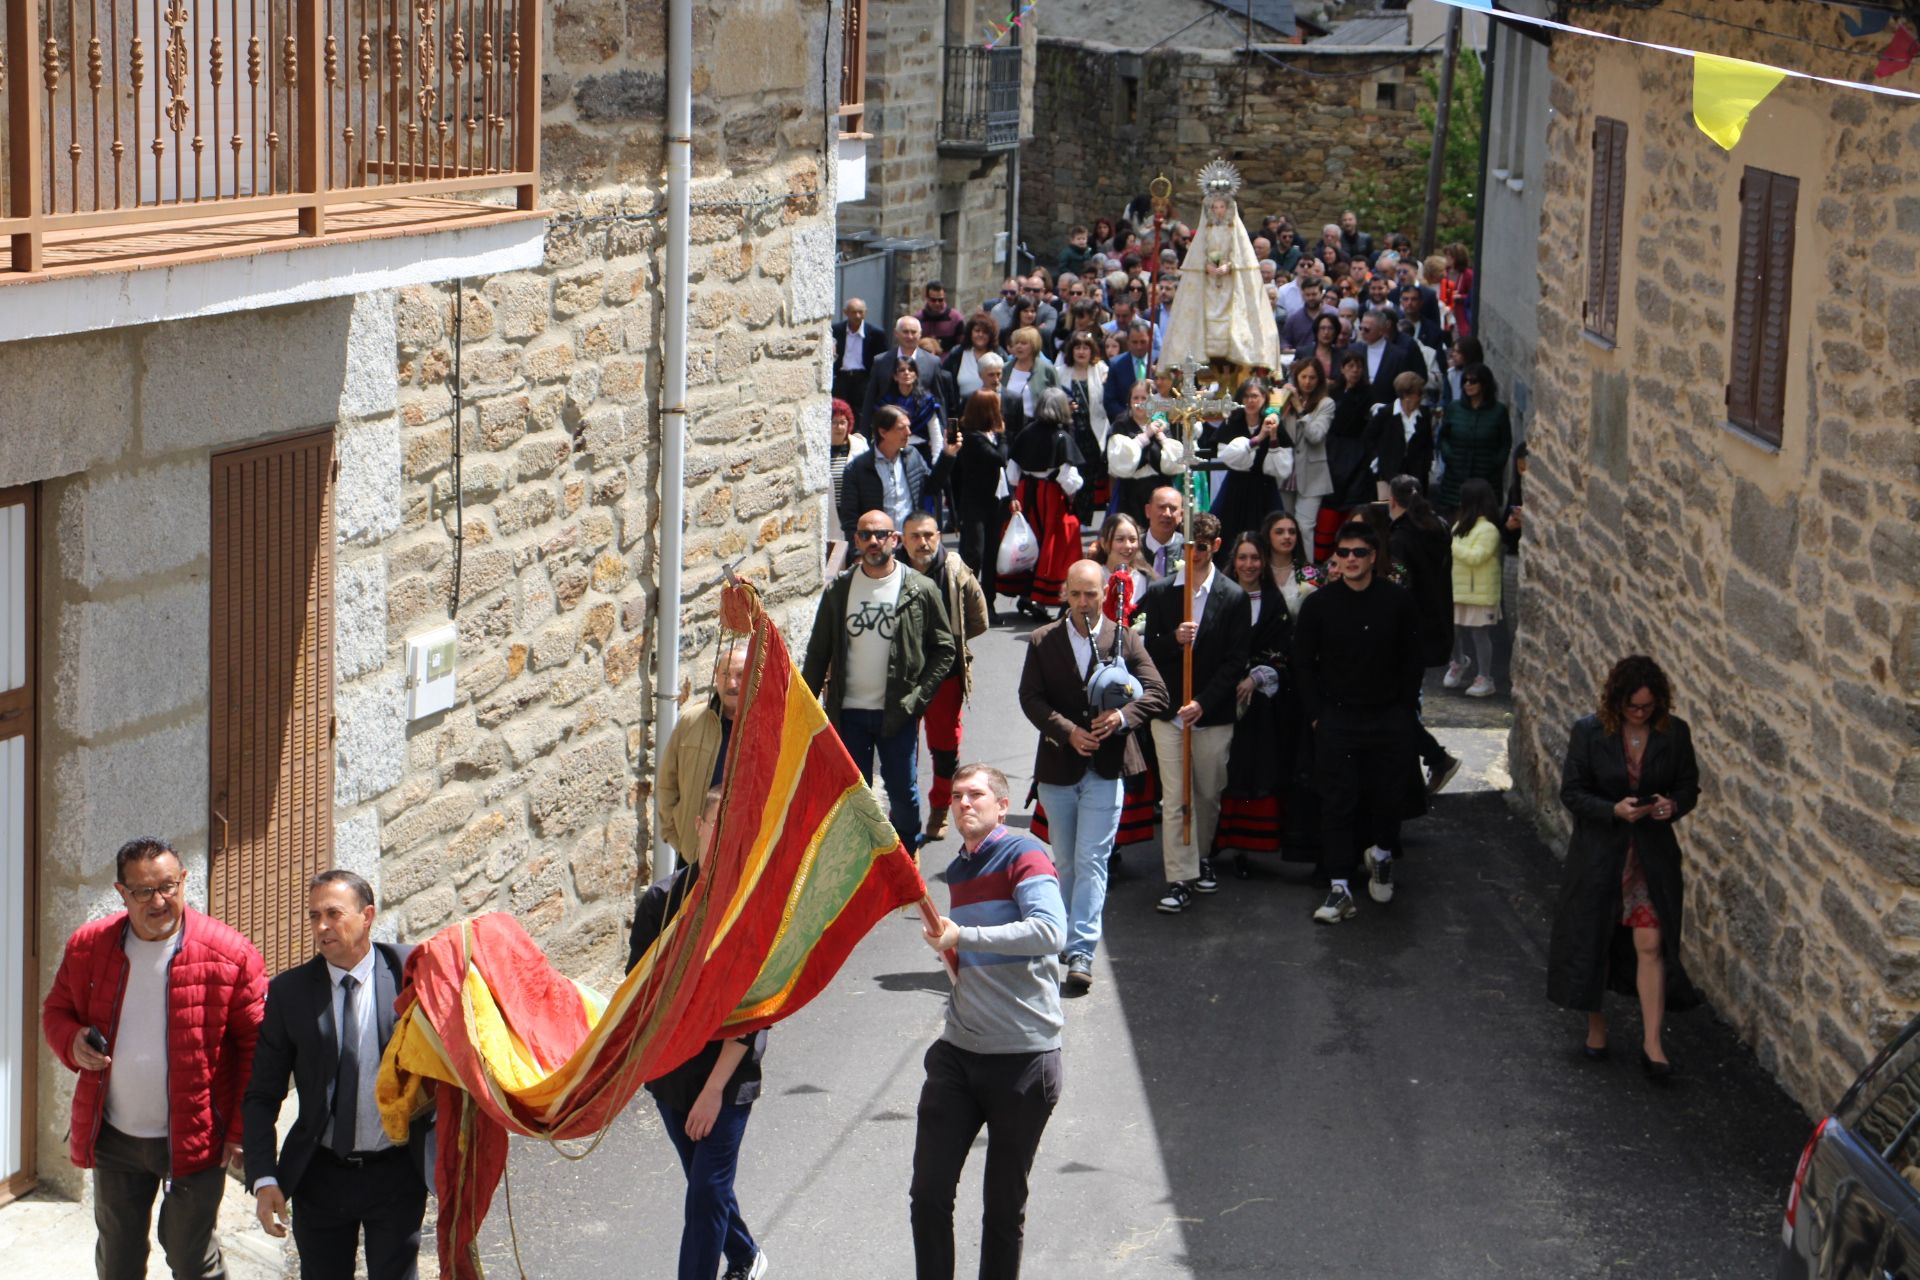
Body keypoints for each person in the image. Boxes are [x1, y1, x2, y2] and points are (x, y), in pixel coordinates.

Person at [43, 836, 265, 1280]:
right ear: (121, 893)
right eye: (144, 891)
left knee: (189, 1256)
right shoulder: (89, 946)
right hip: (115, 1136)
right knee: (118, 1259)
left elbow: (258, 1051)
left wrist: (240, 1130)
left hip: (197, 1134)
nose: (160, 900)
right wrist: (71, 1041)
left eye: (169, 886)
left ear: (184, 881)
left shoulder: (230, 954)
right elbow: (56, 1011)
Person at [912, 764, 1066, 1280]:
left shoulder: (1026, 853)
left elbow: (1050, 932)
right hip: (959, 1053)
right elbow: (969, 957)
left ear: (1003, 805)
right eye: (955, 796)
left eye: (975, 795)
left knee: (1002, 1210)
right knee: (928, 1195)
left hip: (1024, 1059)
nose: (962, 804)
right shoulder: (958, 868)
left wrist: (965, 940)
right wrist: (950, 953)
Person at [243, 871, 433, 1280]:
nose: (322, 926)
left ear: (367, 916)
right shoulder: (290, 993)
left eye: (333, 914)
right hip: (321, 1174)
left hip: (396, 1172)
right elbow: (261, 1094)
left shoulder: (411, 975)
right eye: (314, 916)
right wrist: (264, 1177)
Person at [629, 787, 773, 1280]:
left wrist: (714, 1092)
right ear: (699, 826)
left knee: (707, 1189)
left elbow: (757, 1012)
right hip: (670, 1070)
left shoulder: (755, 909)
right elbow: (639, 993)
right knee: (703, 1184)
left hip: (728, 1074)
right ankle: (747, 1255)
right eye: (717, 824)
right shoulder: (660, 901)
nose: (724, 835)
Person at [1547, 655, 1701, 1078]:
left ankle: (1653, 1044)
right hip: (1600, 858)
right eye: (1633, 707)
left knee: (1651, 944)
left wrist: (1672, 805)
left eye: (1648, 707)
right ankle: (1596, 1028)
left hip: (1650, 858)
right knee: (1594, 940)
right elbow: (1573, 792)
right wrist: (1613, 809)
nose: (1640, 714)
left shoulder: (1674, 733)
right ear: (1617, 702)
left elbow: (1689, 786)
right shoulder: (1589, 732)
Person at [1019, 561, 1169, 991]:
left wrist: (1121, 717)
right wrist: (1068, 732)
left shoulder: (1124, 637)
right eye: (1075, 594)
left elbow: (1158, 692)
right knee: (1064, 860)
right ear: (1064, 594)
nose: (1083, 603)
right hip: (1058, 769)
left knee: (1092, 861)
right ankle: (1058, 937)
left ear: (1105, 593)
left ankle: (1081, 948)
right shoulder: (1043, 640)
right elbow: (1030, 697)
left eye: (1091, 594)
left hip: (1107, 768)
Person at [802, 509, 958, 850]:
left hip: (896, 712)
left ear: (895, 540)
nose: (873, 541)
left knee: (902, 791)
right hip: (849, 713)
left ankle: (905, 852)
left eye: (881, 534)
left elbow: (945, 650)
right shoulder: (839, 591)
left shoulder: (920, 588)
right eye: (865, 535)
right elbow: (818, 653)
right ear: (856, 540)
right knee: (852, 794)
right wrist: (803, 709)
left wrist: (917, 699)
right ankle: (862, 859)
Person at [1293, 521, 1425, 923]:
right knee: (1337, 802)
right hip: (1337, 718)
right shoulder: (1319, 604)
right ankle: (1340, 887)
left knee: (1386, 797)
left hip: (1387, 716)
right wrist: (1317, 715)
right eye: (1344, 553)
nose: (1350, 560)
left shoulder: (1397, 601)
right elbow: (1303, 663)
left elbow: (1412, 660)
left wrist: (1403, 711)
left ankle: (1382, 854)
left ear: (1373, 556)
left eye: (1359, 553)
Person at [1138, 513, 1251, 913]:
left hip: (1211, 714)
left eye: (1201, 547)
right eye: (1188, 547)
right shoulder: (1163, 591)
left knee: (1206, 793)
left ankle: (1201, 856)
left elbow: (1237, 660)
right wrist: (1174, 639)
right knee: (1175, 797)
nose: (1194, 553)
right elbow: (1147, 652)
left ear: (1216, 547)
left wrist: (1203, 702)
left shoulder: (1233, 597)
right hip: (1168, 713)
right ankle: (1180, 877)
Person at [899, 512, 991, 840]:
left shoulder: (955, 571)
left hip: (945, 677)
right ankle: (903, 812)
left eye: (929, 535)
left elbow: (978, 620)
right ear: (902, 539)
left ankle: (940, 808)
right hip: (901, 678)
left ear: (938, 536)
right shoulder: (890, 571)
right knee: (902, 746)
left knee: (944, 747)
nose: (923, 543)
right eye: (915, 536)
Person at [1213, 532, 1292, 878]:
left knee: (1250, 771)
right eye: (1243, 557)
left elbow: (1283, 649)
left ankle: (1246, 845)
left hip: (1257, 705)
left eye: (1255, 558)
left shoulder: (1274, 604)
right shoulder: (1219, 597)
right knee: (1219, 772)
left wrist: (1255, 678)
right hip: (1219, 699)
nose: (1249, 565)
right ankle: (1213, 843)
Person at [1160, 163, 1282, 383]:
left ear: (1228, 207)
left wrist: (1230, 266)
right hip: (1207, 283)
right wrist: (1206, 266)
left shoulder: (1235, 231)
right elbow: (1198, 255)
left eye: (1222, 206)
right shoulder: (1204, 232)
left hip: (1231, 283)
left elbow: (1241, 255)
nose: (1218, 210)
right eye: (1214, 207)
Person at [1386, 475, 1459, 793]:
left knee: (1399, 708)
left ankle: (1435, 758)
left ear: (1392, 501)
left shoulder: (1401, 538)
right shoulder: (1438, 528)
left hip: (1410, 632)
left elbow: (1401, 584)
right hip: (1436, 625)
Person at [659, 646, 749, 857]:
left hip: (745, 856)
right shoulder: (691, 722)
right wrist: (677, 838)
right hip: (694, 854)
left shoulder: (767, 726)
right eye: (725, 674)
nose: (731, 684)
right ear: (716, 677)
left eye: (740, 675)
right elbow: (666, 784)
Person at [1002, 387, 1084, 616]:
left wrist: (1017, 494)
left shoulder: (1026, 433)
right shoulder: (1061, 437)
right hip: (1051, 497)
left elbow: (1012, 472)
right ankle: (1048, 596)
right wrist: (1075, 491)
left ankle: (1028, 595)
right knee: (1057, 544)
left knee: (1029, 542)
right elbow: (1068, 479)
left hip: (1026, 493)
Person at [1208, 377, 1294, 560]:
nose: (1250, 401)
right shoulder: (1233, 421)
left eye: (1255, 396)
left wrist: (1271, 437)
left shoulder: (1274, 424)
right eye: (1246, 396)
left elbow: (1281, 468)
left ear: (1264, 398)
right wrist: (1258, 437)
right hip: (1236, 488)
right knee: (1227, 536)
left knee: (1265, 537)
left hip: (1264, 489)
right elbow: (1228, 456)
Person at [838, 406, 953, 541]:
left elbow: (932, 486)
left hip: (910, 543)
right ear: (883, 432)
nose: (909, 432)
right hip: (877, 545)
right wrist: (857, 553)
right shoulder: (858, 468)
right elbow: (849, 518)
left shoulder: (912, 457)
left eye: (909, 427)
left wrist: (948, 455)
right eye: (901, 428)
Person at [949, 390, 1012, 621]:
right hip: (974, 503)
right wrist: (1003, 436)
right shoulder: (972, 437)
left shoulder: (991, 435)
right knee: (973, 553)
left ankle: (989, 605)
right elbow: (999, 458)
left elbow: (1003, 471)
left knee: (991, 555)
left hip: (996, 502)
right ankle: (965, 603)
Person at [1445, 478, 1505, 698]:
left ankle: (1485, 677)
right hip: (1457, 590)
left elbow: (1476, 557)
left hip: (1480, 592)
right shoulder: (1458, 526)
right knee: (1453, 631)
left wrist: (1451, 545)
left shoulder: (1488, 530)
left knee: (1480, 634)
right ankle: (1459, 662)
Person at [1434, 362, 1513, 514]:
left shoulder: (1498, 411)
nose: (1468, 385)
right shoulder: (1454, 408)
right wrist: (1448, 455)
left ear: (1484, 384)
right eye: (1465, 381)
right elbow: (1443, 436)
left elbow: (1505, 442)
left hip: (1486, 477)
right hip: (1455, 477)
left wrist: (1496, 463)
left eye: (1473, 381)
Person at [1107, 384, 1188, 526]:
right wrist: (1146, 435)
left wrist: (1161, 436)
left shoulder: (1162, 425)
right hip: (1131, 493)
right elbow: (1120, 464)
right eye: (1135, 398)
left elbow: (1175, 464)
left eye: (1144, 398)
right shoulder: (1121, 426)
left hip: (1160, 491)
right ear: (1129, 402)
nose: (1139, 403)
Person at [862, 315, 948, 435]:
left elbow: (939, 399)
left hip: (921, 433)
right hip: (888, 430)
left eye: (913, 332)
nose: (910, 336)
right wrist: (864, 433)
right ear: (896, 333)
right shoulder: (881, 361)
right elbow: (870, 398)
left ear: (920, 334)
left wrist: (943, 430)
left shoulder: (932, 362)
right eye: (905, 332)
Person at [1364, 372, 1435, 500]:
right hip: (1389, 473)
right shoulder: (1385, 414)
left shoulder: (1424, 414)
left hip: (1416, 473)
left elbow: (1428, 443)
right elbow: (1369, 438)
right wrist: (1377, 459)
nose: (1420, 397)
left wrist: (1426, 464)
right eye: (1418, 393)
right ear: (1405, 395)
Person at [876, 357, 948, 473]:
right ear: (895, 376)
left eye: (910, 369)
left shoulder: (926, 401)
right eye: (902, 370)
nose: (906, 373)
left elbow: (935, 434)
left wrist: (936, 461)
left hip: (922, 453)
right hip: (894, 453)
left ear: (916, 375)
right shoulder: (887, 403)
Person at [825, 398, 868, 572]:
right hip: (830, 513)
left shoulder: (859, 446)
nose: (838, 427)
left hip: (852, 512)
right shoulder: (820, 449)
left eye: (842, 422)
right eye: (834, 422)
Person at [1002, 325, 1061, 435]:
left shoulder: (1047, 369)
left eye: (1023, 343)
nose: (1019, 347)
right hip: (1009, 429)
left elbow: (1057, 400)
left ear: (1034, 346)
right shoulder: (1004, 369)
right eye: (1016, 343)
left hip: (1038, 428)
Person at [832, 297, 886, 410]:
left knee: (862, 413)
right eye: (853, 312)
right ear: (845, 313)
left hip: (864, 380)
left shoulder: (876, 334)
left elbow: (882, 360)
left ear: (865, 313)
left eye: (860, 312)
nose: (857, 316)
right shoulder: (835, 331)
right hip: (842, 379)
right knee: (840, 412)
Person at [1100, 319, 1155, 428]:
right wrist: (1131, 416)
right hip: (1127, 426)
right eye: (1135, 342)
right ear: (1128, 341)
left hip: (1155, 424)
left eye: (1143, 342)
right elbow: (1109, 401)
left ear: (1150, 340)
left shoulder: (1159, 362)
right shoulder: (1116, 364)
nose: (1139, 347)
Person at [944, 312, 1003, 404]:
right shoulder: (957, 354)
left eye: (985, 332)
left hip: (994, 407)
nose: (980, 334)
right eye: (977, 331)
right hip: (964, 411)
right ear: (970, 332)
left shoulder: (999, 354)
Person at [918, 280, 968, 354]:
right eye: (933, 300)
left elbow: (962, 345)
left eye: (940, 300)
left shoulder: (955, 318)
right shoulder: (918, 319)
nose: (937, 303)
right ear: (927, 298)